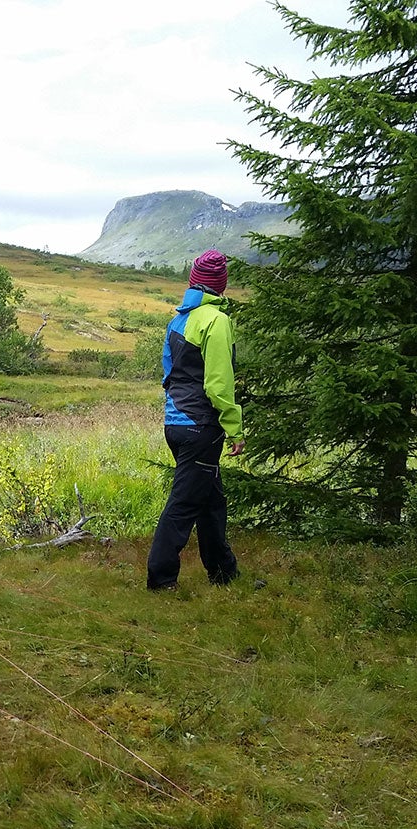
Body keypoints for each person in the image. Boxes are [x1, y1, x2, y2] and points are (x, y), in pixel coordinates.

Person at [147, 249, 243, 591]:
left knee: (210, 500)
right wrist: (235, 428)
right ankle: (161, 579)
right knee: (185, 503)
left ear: (193, 283)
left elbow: (168, 375)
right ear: (221, 284)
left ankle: (224, 573)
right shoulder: (217, 321)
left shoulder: (178, 320)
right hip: (201, 426)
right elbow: (219, 384)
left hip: (176, 424)